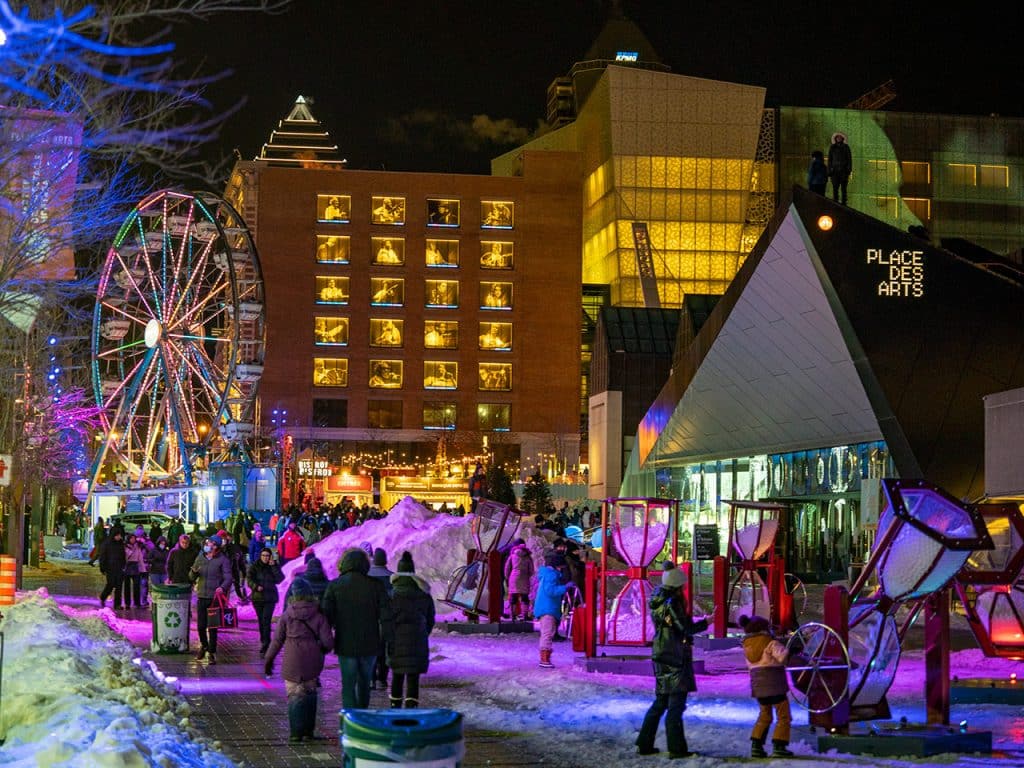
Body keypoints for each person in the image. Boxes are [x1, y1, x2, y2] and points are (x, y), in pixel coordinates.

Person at [635, 562, 709, 759]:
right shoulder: (672, 603)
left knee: (661, 702)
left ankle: (644, 742)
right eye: (682, 586)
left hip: (661, 652)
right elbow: (684, 628)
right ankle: (677, 748)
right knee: (675, 704)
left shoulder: (658, 600)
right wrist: (706, 622)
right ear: (677, 586)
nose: (684, 589)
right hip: (674, 655)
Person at [321, 547, 393, 711]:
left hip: (345, 643)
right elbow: (386, 616)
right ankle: (362, 714)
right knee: (364, 682)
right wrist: (389, 640)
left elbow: (327, 617)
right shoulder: (375, 586)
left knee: (348, 684)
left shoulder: (335, 586)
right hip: (370, 643)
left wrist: (325, 641)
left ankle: (350, 719)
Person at [264, 577, 334, 743]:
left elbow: (276, 641)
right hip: (312, 662)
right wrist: (321, 649)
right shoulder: (318, 615)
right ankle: (308, 732)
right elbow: (328, 643)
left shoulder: (286, 616)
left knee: (294, 695)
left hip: (292, 662)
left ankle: (296, 733)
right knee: (310, 694)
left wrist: (268, 660)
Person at [739, 614, 794, 758]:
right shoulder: (770, 642)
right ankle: (779, 746)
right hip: (775, 685)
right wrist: (791, 649)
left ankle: (756, 746)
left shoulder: (747, 645)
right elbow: (782, 657)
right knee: (783, 716)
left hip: (759, 688)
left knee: (764, 716)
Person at [387, 551, 436, 708]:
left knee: (397, 674)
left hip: (396, 641)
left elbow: (385, 619)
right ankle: (411, 708)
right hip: (417, 640)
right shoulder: (423, 594)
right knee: (413, 677)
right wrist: (422, 633)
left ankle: (395, 706)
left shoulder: (392, 595)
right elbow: (430, 619)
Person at [189, 534, 233, 665]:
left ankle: (212, 652)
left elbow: (228, 577)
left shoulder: (222, 560)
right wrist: (193, 572)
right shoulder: (200, 557)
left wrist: (222, 587)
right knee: (201, 626)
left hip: (214, 598)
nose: (208, 545)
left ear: (217, 546)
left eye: (211, 544)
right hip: (202, 595)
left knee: (212, 627)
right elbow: (191, 576)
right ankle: (204, 645)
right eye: (208, 543)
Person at [534, 551, 569, 668]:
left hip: (548, 607)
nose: (562, 570)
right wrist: (565, 588)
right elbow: (551, 591)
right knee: (547, 633)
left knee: (549, 633)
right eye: (561, 567)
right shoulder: (551, 575)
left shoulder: (549, 574)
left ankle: (545, 658)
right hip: (547, 608)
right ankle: (544, 659)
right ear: (556, 566)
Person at [248, 547, 285, 655]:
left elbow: (280, 579)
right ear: (260, 556)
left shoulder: (273, 566)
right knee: (261, 620)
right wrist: (255, 586)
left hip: (270, 598)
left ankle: (266, 643)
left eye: (267, 556)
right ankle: (263, 640)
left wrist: (273, 567)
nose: (265, 558)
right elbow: (249, 579)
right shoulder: (255, 566)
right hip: (258, 598)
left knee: (266, 620)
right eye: (263, 555)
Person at [368, 548, 394, 690]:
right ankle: (382, 679)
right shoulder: (391, 577)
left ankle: (371, 679)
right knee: (384, 650)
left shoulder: (366, 577)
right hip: (387, 619)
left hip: (369, 619)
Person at [504, 539, 534, 621]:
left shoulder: (512, 555)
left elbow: (507, 568)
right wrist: (527, 575)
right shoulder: (528, 556)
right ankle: (525, 615)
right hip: (524, 577)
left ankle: (513, 615)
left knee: (513, 597)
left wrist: (507, 577)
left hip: (513, 577)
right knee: (525, 597)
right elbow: (531, 570)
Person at [98, 525, 126, 609]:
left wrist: (123, 565)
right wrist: (102, 567)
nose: (119, 537)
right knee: (111, 584)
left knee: (119, 586)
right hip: (110, 568)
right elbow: (102, 556)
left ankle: (117, 604)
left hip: (119, 568)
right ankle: (103, 597)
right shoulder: (107, 544)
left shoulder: (120, 544)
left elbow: (123, 555)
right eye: (118, 535)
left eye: (120, 535)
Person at [827, 131, 853, 205]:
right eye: (837, 137)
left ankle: (844, 202)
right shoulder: (832, 147)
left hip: (844, 171)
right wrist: (829, 171)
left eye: (840, 137)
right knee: (835, 188)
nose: (839, 138)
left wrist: (849, 170)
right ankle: (835, 202)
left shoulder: (846, 147)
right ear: (835, 138)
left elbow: (849, 159)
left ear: (842, 138)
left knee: (844, 188)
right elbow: (830, 160)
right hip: (834, 171)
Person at [123, 532, 147, 608]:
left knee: (137, 586)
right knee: (127, 586)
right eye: (131, 538)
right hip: (127, 566)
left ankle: (137, 603)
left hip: (135, 567)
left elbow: (140, 559)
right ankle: (127, 603)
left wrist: (143, 570)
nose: (133, 540)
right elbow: (124, 558)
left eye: (134, 538)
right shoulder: (125, 547)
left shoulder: (138, 547)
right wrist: (130, 550)